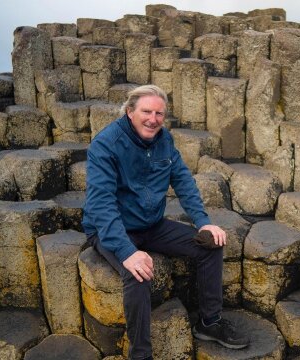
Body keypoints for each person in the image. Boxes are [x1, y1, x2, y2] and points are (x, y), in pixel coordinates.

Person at [82, 85, 248, 360]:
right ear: (130, 111)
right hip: (111, 228)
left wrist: (203, 222)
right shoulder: (106, 144)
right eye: (147, 111)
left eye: (159, 113)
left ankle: (209, 323)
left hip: (152, 225)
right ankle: (141, 354)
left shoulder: (164, 140)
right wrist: (127, 252)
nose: (153, 119)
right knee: (138, 273)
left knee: (210, 245)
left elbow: (183, 180)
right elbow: (101, 205)